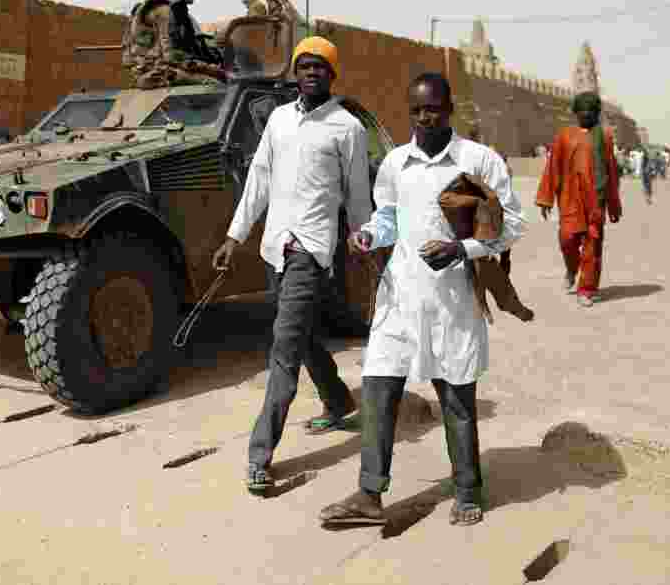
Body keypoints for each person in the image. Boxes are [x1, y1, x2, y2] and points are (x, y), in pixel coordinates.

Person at [317, 73, 526, 529]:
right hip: (399, 295)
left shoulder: (477, 160)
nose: (424, 117)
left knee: (455, 397)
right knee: (377, 389)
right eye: (416, 110)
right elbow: (388, 216)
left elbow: (510, 226)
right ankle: (369, 493)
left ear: (449, 108)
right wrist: (370, 234)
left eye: (432, 108)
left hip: (452, 300)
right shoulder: (395, 164)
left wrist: (461, 249)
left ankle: (468, 488)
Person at [212, 36, 371, 494]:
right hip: (274, 246)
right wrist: (234, 236)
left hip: (311, 249)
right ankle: (339, 400)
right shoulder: (279, 120)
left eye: (320, 66)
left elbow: (357, 196)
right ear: (295, 73)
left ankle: (260, 454)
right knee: (298, 335)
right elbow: (258, 180)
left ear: (332, 74)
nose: (311, 72)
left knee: (282, 347)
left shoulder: (347, 128)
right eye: (304, 65)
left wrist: (362, 240)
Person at [535, 92, 622, 308]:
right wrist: (546, 199)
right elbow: (553, 167)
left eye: (590, 112)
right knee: (567, 240)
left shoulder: (605, 138)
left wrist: (613, 203)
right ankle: (572, 268)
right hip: (570, 200)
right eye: (582, 112)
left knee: (593, 246)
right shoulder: (564, 136)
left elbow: (611, 172)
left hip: (595, 202)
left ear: (596, 113)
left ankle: (587, 288)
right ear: (576, 113)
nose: (586, 115)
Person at [121, 0, 226, 89]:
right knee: (217, 86)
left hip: (158, 69)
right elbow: (172, 55)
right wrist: (209, 68)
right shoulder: (165, 11)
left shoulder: (173, 10)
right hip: (158, 73)